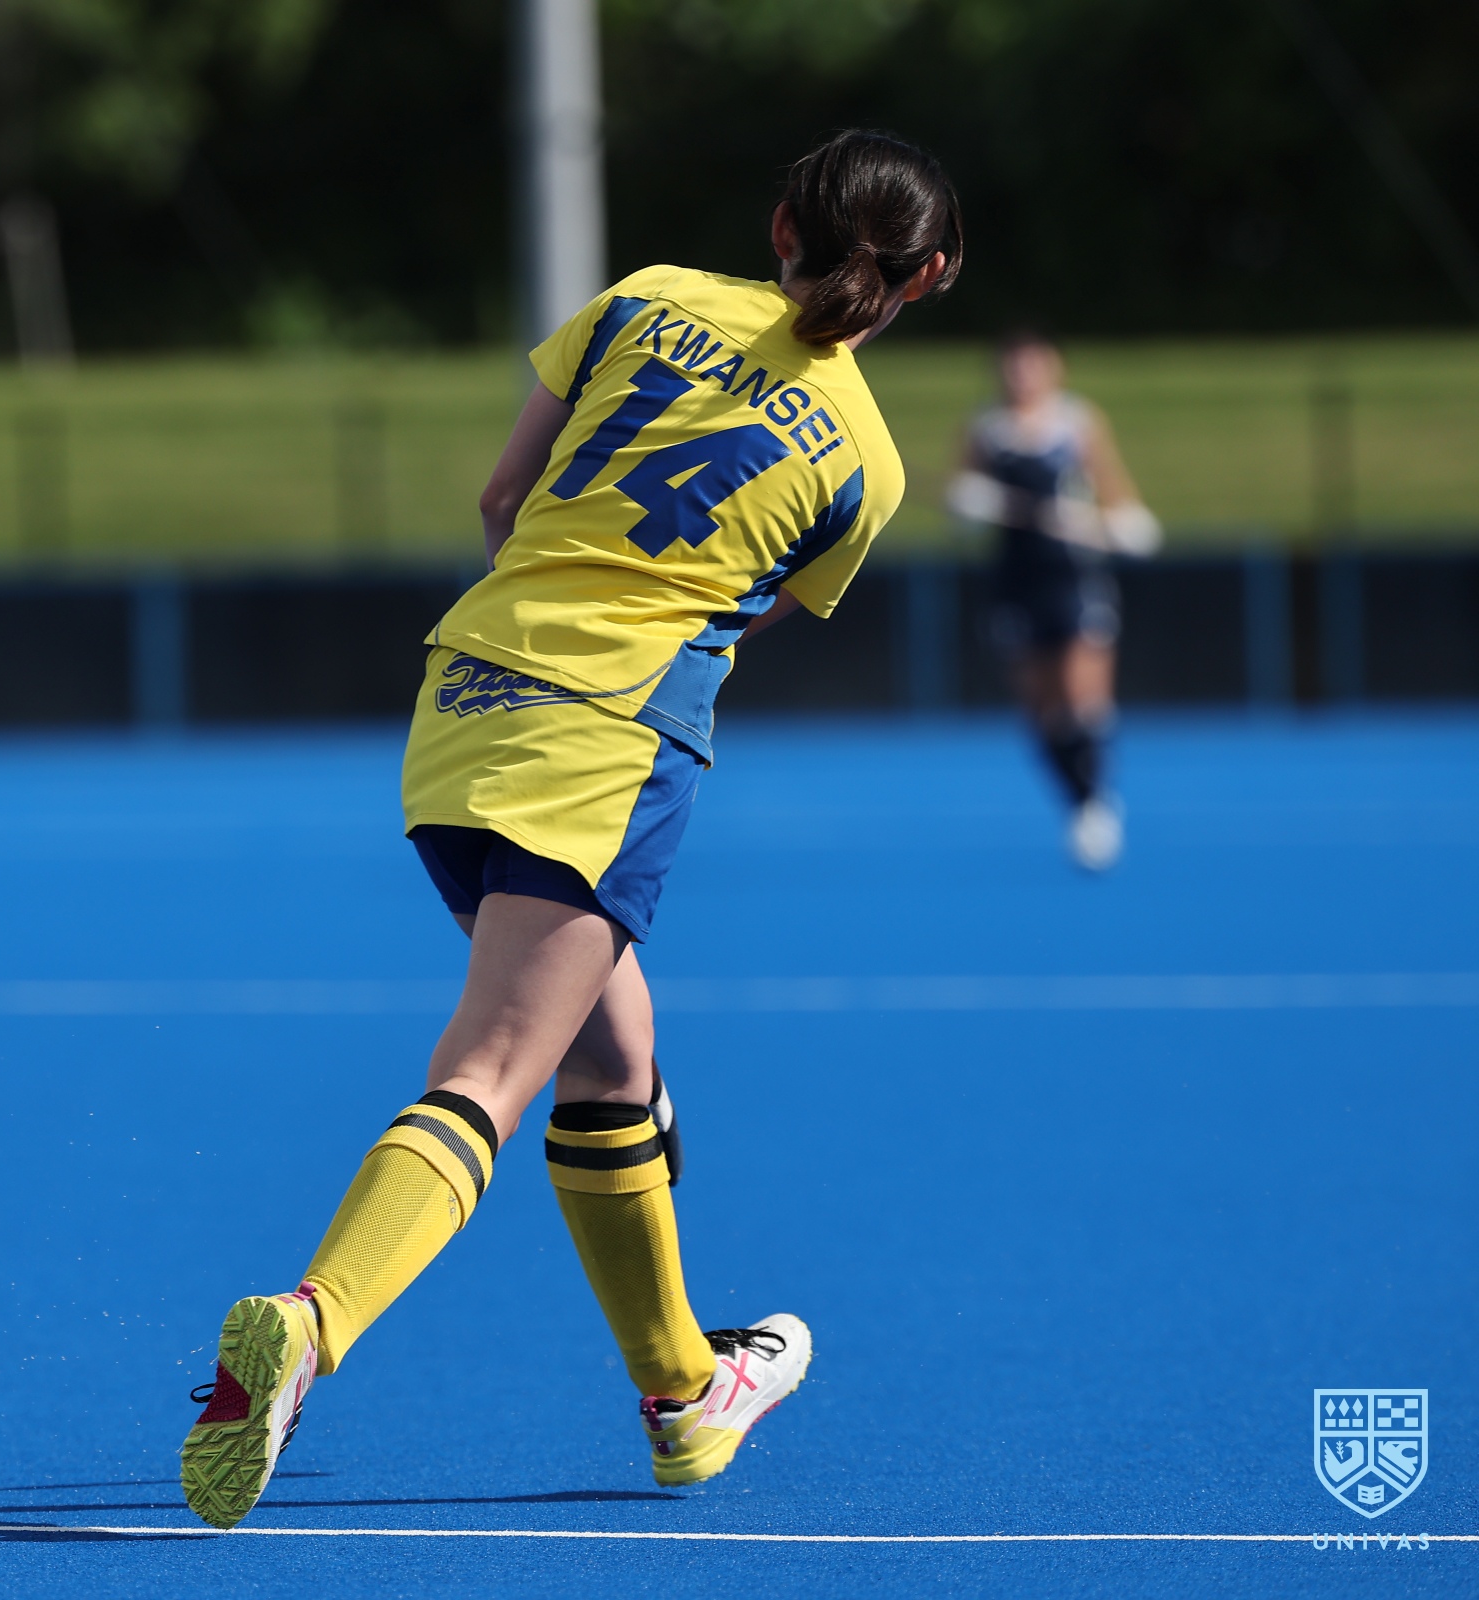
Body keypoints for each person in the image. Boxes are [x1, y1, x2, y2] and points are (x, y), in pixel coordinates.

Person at [177, 130, 962, 1528]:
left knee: (612, 1053)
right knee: (493, 1066)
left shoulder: (641, 298)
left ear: (780, 226)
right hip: (605, 740)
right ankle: (311, 1324)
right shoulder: (866, 463)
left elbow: (501, 501)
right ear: (931, 277)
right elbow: (736, 620)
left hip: (462, 696)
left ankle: (684, 1397)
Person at [948, 330, 1158, 870]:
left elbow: (1115, 495)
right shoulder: (986, 429)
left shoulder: (1076, 422)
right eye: (1013, 366)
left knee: (1082, 699)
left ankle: (1095, 804)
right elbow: (965, 496)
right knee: (1041, 711)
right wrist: (969, 505)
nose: (1022, 376)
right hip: (1015, 582)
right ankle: (1079, 800)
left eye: (1032, 364)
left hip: (1074, 576)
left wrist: (1116, 523)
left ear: (1053, 368)